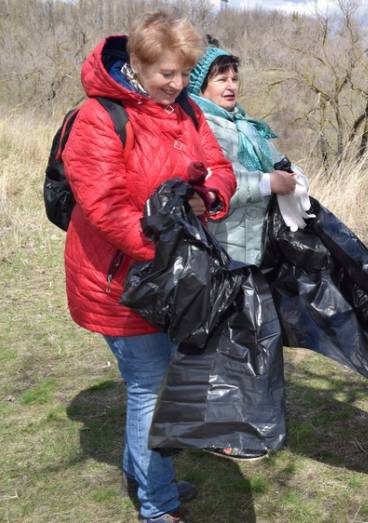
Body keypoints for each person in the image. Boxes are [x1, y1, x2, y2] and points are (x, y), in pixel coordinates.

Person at [61, 12, 236, 523]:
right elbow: (107, 208)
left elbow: (218, 169)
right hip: (119, 281)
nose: (178, 84)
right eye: (166, 74)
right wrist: (165, 243)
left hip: (169, 277)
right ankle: (158, 507)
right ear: (136, 63)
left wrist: (209, 197)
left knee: (154, 386)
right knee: (151, 390)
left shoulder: (185, 111)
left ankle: (147, 479)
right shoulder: (99, 117)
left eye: (184, 73)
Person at [185, 44, 307, 461]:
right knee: (228, 343)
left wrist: (292, 177)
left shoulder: (244, 125)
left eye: (234, 77)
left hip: (253, 250)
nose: (231, 86)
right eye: (221, 78)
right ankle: (224, 433)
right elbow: (212, 186)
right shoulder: (200, 123)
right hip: (219, 250)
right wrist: (267, 184)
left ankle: (238, 424)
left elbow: (276, 164)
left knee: (249, 338)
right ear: (202, 84)